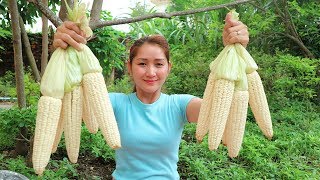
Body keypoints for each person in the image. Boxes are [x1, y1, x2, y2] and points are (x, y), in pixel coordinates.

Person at [53, 12, 249, 179]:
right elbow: (68, 105)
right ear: (129, 68)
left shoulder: (179, 105)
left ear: (168, 68)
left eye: (159, 64)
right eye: (142, 63)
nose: (151, 72)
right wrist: (66, 52)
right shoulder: (113, 102)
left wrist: (235, 53)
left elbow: (219, 108)